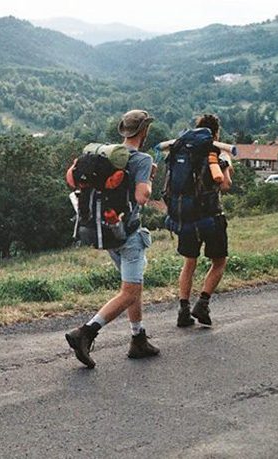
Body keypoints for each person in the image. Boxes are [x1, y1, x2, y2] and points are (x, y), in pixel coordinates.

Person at [65, 109, 159, 368]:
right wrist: (149, 177)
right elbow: (142, 197)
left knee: (133, 287)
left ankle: (138, 338)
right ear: (144, 131)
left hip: (106, 231)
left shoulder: (107, 156)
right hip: (127, 234)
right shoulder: (141, 159)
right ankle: (86, 332)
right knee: (130, 291)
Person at [175, 114, 231, 329]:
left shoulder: (184, 150)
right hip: (212, 216)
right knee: (219, 262)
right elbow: (225, 184)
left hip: (187, 215)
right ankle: (203, 302)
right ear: (216, 133)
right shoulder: (215, 153)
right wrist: (226, 166)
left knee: (189, 262)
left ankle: (183, 309)